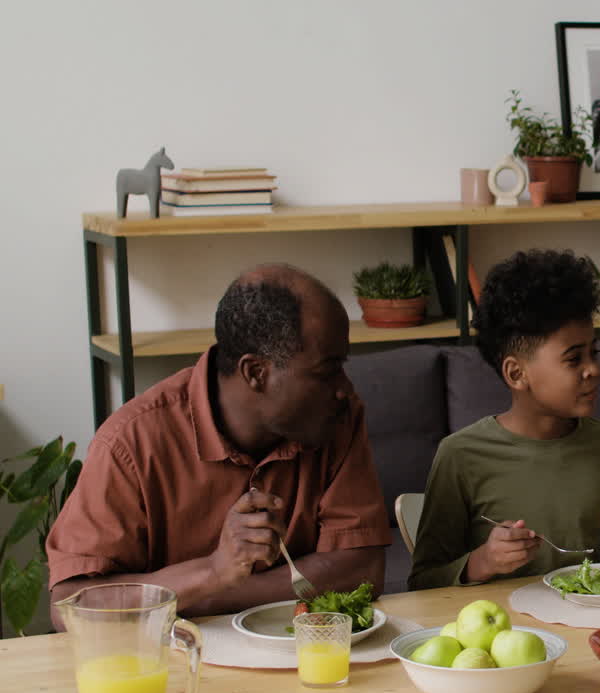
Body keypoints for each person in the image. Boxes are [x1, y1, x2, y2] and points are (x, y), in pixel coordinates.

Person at [47, 265, 392, 627]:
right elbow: (68, 608)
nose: (346, 388)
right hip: (172, 668)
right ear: (256, 373)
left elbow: (362, 569)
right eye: (327, 371)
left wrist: (200, 595)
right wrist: (214, 570)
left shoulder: (337, 417)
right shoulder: (130, 444)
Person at [408, 249, 600, 590]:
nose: (593, 370)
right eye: (574, 359)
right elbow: (422, 584)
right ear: (517, 373)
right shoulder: (460, 456)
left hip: (583, 629)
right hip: (500, 635)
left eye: (594, 352)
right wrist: (483, 561)